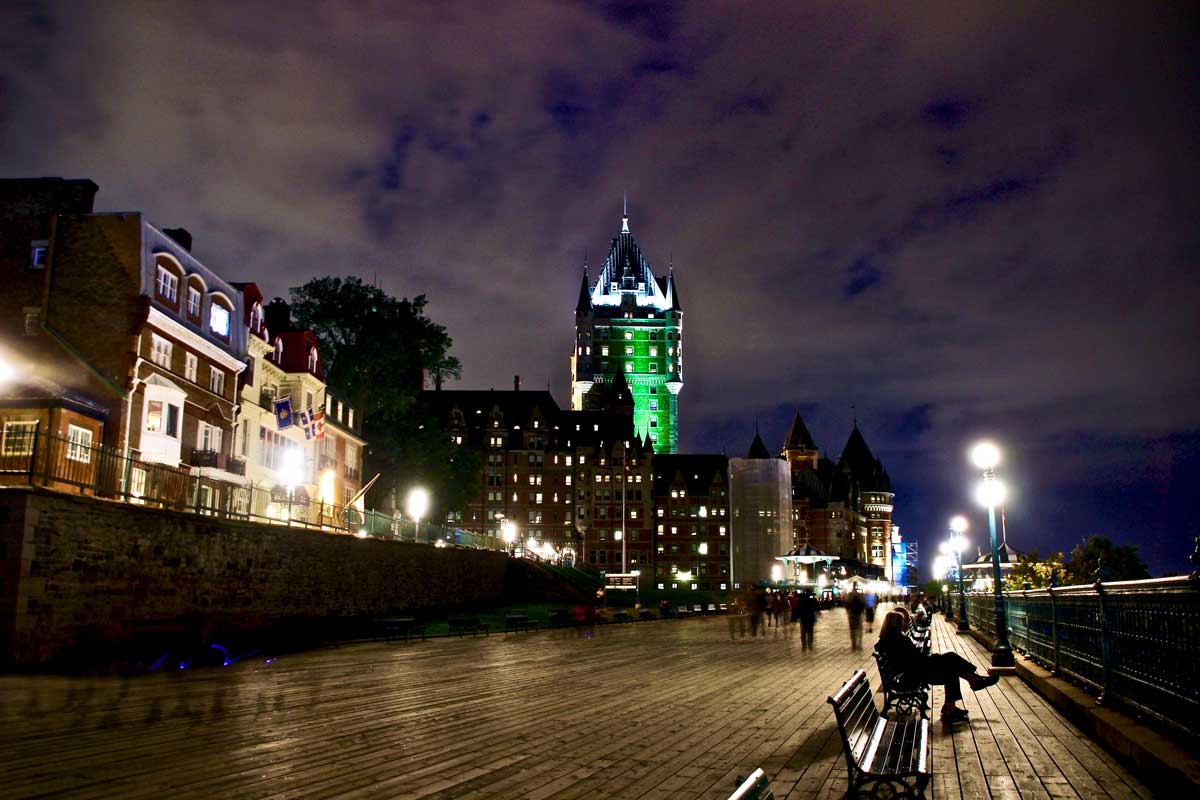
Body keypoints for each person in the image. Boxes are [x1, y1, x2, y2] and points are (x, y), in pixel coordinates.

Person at [875, 610, 999, 723]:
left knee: (951, 662)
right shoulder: (900, 640)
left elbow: (912, 659)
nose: (904, 624)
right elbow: (916, 660)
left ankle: (956, 700)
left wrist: (932, 658)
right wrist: (934, 658)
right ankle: (970, 684)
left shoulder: (887, 640)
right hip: (913, 676)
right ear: (896, 624)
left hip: (912, 672)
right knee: (951, 664)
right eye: (902, 622)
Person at [845, 585, 867, 650]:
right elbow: (863, 604)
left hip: (851, 615)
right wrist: (862, 611)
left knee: (852, 629)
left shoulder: (849, 596)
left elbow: (846, 604)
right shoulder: (860, 596)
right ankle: (859, 644)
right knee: (859, 629)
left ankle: (853, 644)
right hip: (859, 614)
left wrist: (848, 611)